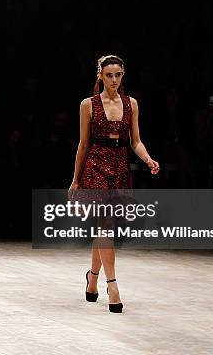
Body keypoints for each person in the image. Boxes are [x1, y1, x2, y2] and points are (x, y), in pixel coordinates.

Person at [68, 55, 160, 313]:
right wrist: (76, 180)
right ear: (100, 75)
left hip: (120, 166)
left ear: (123, 75)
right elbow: (83, 143)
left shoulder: (131, 104)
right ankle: (113, 286)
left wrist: (148, 160)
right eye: (109, 75)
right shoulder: (88, 104)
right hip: (95, 164)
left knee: (104, 228)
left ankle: (92, 278)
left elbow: (136, 141)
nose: (114, 80)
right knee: (105, 225)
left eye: (118, 75)